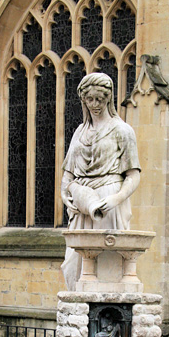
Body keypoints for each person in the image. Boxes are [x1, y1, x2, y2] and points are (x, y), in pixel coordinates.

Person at [61, 72, 141, 290]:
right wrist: (64, 193)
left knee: (107, 268)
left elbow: (133, 174)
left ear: (109, 98)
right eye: (90, 99)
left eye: (100, 98)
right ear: (83, 100)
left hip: (108, 200)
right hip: (81, 201)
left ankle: (107, 318)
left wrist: (117, 198)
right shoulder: (80, 131)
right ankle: (79, 317)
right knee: (72, 266)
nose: (95, 104)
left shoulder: (122, 130)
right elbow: (68, 171)